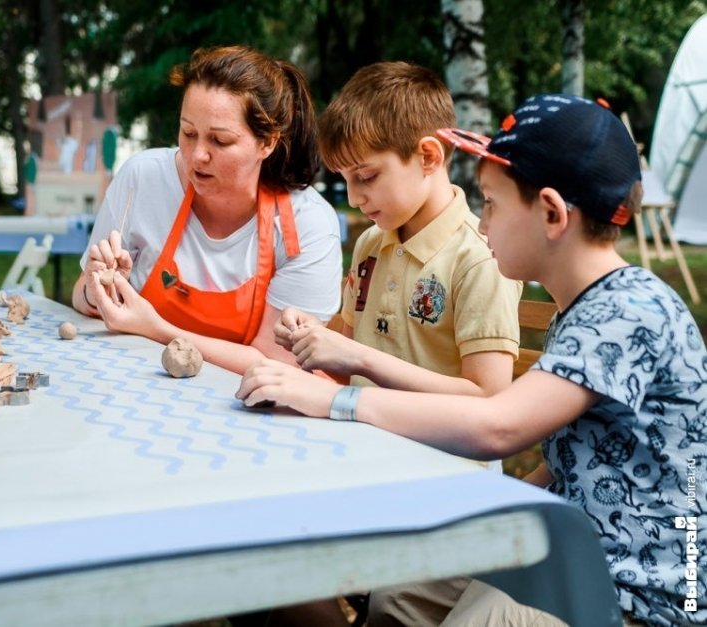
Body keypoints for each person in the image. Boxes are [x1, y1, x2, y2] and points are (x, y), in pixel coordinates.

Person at [238, 94, 707, 627]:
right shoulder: (579, 310)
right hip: (570, 546)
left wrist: (337, 399)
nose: (482, 225)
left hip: (640, 596)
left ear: (552, 213)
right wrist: (482, 509)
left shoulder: (627, 310)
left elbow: (498, 425)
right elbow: (576, 461)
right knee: (401, 597)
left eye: (491, 204)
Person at [249, 60, 524, 627]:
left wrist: (353, 357)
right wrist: (311, 337)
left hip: (445, 486)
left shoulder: (479, 256)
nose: (354, 197)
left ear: (427, 156)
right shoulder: (373, 244)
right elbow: (346, 340)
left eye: (366, 177)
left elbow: (491, 400)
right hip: (363, 463)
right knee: (258, 548)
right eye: (345, 180)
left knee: (364, 591)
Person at [74, 45, 342, 374]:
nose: (197, 155)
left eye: (220, 141)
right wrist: (96, 288)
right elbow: (82, 300)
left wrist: (155, 329)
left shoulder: (308, 225)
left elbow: (277, 364)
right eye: (188, 133)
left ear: (267, 143)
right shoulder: (143, 179)